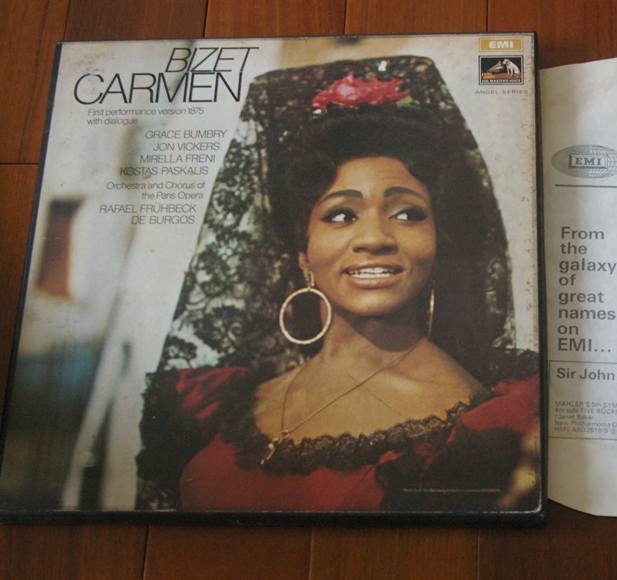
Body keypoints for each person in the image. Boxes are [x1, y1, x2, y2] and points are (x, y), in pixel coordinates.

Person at [136, 57, 539, 513]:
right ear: (303, 253)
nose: (374, 238)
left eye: (407, 213)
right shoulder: (218, 406)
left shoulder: (479, 430)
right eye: (342, 215)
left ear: (438, 244)